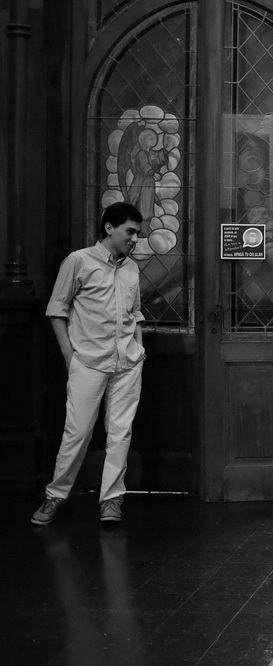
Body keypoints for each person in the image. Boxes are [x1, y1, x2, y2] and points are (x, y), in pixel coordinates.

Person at [31, 202, 146, 526]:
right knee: (77, 434)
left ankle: (111, 501)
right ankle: (55, 497)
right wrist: (71, 359)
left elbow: (135, 313)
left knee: (120, 434)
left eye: (137, 232)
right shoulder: (78, 261)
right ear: (109, 228)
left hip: (127, 363)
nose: (135, 238)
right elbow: (57, 310)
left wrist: (139, 350)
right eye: (130, 231)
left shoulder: (131, 269)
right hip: (88, 363)